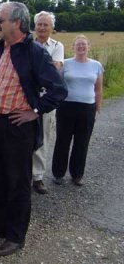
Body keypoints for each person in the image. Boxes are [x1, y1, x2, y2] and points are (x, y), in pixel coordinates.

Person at [0, 2, 67, 256]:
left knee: (17, 182)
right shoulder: (1, 47)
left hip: (17, 127)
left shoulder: (35, 52)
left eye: (0, 19)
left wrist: (34, 111)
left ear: (16, 22)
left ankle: (16, 236)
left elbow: (58, 89)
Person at [52, 35, 103, 186]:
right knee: (62, 140)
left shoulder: (96, 65)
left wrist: (97, 107)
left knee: (82, 142)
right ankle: (58, 173)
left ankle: (77, 174)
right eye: (78, 45)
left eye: (84, 44)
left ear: (89, 47)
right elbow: (57, 85)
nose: (81, 47)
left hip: (87, 107)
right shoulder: (65, 64)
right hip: (66, 106)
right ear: (73, 47)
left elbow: (98, 90)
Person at [32, 11, 65, 194]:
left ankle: (38, 177)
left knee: (43, 137)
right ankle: (24, 174)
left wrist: (36, 72)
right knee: (25, 137)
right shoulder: (28, 43)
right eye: (39, 24)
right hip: (28, 98)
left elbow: (56, 68)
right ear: (34, 26)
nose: (42, 28)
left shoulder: (57, 46)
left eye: (46, 25)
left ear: (52, 28)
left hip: (47, 98)